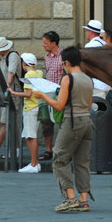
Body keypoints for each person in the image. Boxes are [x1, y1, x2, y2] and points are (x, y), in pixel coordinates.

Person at [32, 46, 93, 213]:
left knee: (59, 158)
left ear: (66, 62)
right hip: (87, 121)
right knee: (82, 162)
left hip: (72, 121)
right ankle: (84, 200)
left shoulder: (68, 79)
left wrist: (43, 96)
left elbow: (59, 106)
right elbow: (88, 106)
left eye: (62, 64)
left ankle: (70, 198)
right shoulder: (88, 79)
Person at [10, 52, 43, 173]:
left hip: (30, 108)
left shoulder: (29, 74)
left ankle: (34, 164)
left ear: (24, 63)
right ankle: (34, 163)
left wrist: (13, 92)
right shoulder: (38, 72)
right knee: (29, 136)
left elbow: (28, 94)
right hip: (36, 107)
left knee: (31, 136)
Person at [39, 30, 63, 161]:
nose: (44, 45)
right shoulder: (47, 56)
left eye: (46, 43)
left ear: (54, 43)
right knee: (46, 121)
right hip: (48, 93)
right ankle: (48, 150)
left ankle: (60, 149)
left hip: (60, 93)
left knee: (62, 121)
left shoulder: (64, 55)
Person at [83, 19, 111, 99]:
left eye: (86, 31)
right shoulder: (105, 44)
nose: (86, 33)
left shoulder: (89, 46)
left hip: (96, 86)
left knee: (96, 110)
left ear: (90, 32)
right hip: (106, 85)